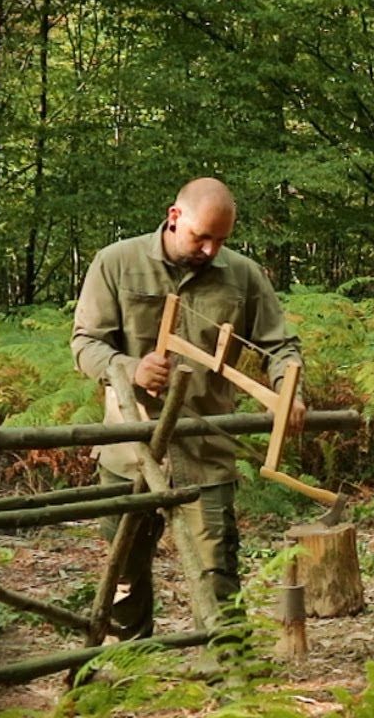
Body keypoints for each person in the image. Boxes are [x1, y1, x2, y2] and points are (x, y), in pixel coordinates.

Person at [71, 177, 306, 638]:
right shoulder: (116, 263)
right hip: (129, 448)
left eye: (221, 240)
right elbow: (85, 344)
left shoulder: (243, 275)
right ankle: (132, 659)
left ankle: (225, 670)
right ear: (174, 217)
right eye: (202, 236)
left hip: (205, 451)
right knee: (125, 570)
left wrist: (289, 389)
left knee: (217, 571)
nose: (211, 250)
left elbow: (281, 346)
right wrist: (129, 368)